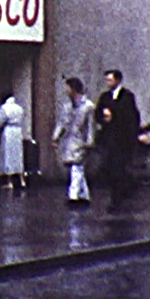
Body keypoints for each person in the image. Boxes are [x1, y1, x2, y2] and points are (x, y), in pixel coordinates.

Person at [95, 70, 141, 212]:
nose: (108, 83)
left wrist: (113, 115)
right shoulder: (104, 97)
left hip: (122, 139)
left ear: (118, 80)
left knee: (119, 167)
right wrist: (104, 118)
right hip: (109, 138)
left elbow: (130, 116)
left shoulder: (127, 97)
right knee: (110, 167)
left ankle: (119, 196)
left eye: (110, 80)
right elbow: (97, 113)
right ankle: (118, 192)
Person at [51, 77, 96, 207]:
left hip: (81, 140)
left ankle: (73, 195)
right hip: (70, 140)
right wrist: (56, 137)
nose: (66, 91)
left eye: (68, 88)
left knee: (76, 166)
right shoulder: (67, 107)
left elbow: (90, 126)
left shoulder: (88, 106)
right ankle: (84, 194)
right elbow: (62, 123)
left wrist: (90, 141)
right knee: (77, 167)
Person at [0, 91, 26, 190]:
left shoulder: (4, 108)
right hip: (18, 131)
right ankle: (22, 180)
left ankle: (9, 181)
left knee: (8, 155)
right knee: (18, 155)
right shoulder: (19, 108)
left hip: (8, 131)